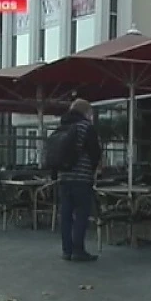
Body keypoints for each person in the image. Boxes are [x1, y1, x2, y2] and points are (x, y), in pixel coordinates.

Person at [57, 99, 102, 262]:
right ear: (85, 112)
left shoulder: (63, 126)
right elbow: (94, 152)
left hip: (64, 177)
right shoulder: (85, 127)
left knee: (66, 214)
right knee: (82, 213)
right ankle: (78, 250)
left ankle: (66, 250)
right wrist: (93, 169)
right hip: (82, 178)